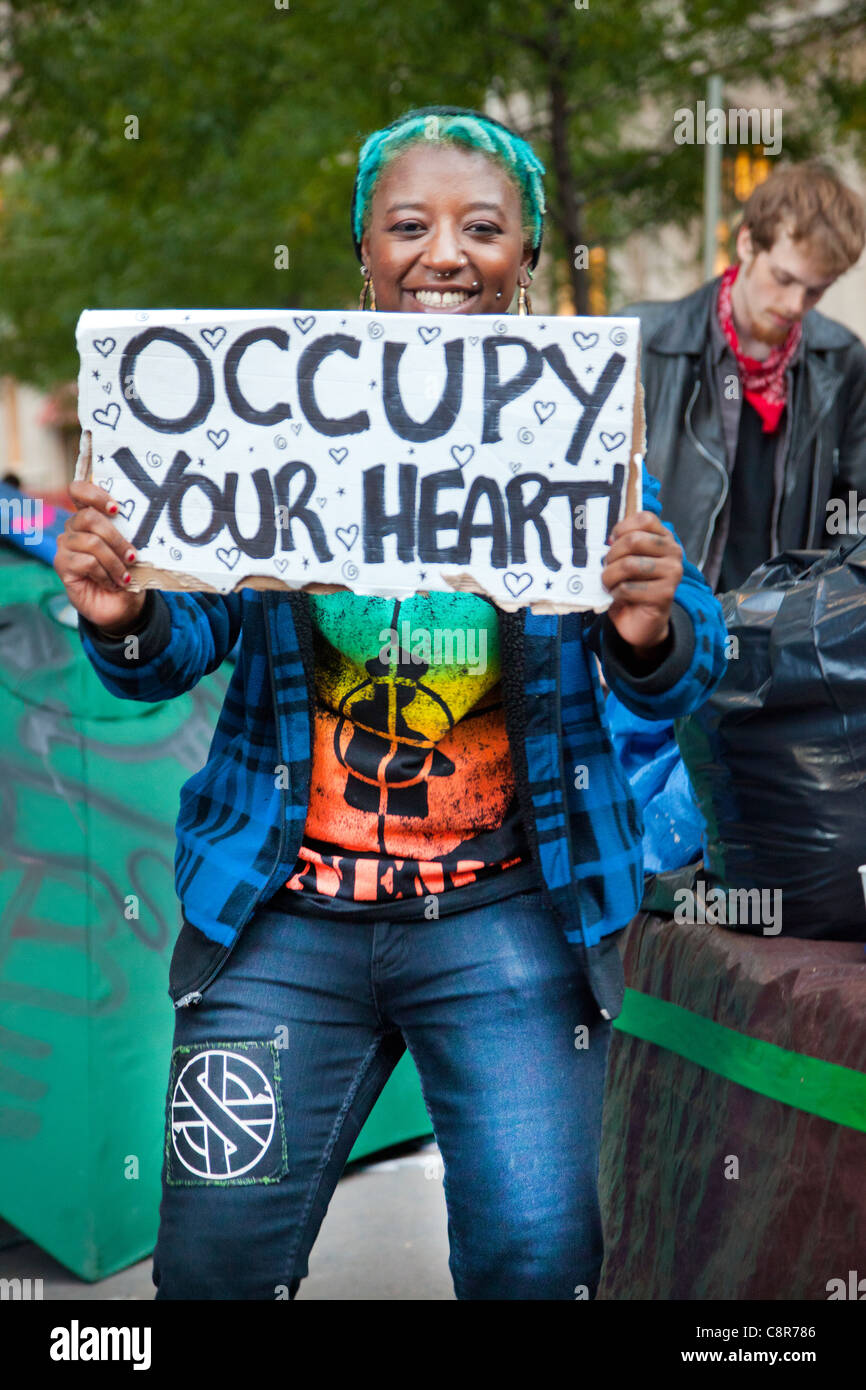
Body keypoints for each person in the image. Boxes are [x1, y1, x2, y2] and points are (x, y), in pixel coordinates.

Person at [54, 105, 727, 1301]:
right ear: (362, 252)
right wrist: (125, 613)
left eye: (483, 226)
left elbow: (688, 646)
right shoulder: (264, 422)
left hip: (508, 918)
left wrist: (648, 624)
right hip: (281, 925)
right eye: (407, 224)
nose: (444, 253)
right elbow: (180, 636)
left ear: (525, 256)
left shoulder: (571, 428)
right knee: (212, 1269)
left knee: (540, 1257)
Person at [618, 161, 866, 592]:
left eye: (815, 290)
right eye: (783, 279)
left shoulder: (843, 359)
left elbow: (856, 509)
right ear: (747, 242)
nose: (794, 304)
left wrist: (817, 604)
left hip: (782, 635)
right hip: (668, 627)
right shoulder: (643, 340)